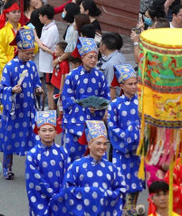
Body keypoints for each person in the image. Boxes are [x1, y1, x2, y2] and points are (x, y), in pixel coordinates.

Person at [49, 120, 125, 215]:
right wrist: (90, 193)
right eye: (98, 143)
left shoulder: (112, 168)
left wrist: (105, 195)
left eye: (105, 144)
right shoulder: (77, 166)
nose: (102, 147)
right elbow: (67, 190)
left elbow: (121, 190)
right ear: (89, 144)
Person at [0, 27, 44, 179]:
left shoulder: (32, 66)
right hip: (14, 110)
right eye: (28, 53)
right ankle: (7, 168)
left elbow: (36, 82)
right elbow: (2, 88)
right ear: (19, 50)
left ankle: (34, 169)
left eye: (32, 53)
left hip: (29, 110)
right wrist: (11, 90)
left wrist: (38, 89)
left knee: (34, 139)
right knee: (10, 139)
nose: (30, 56)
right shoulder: (9, 67)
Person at [60, 37, 109, 161]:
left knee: (95, 157)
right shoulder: (72, 75)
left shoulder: (100, 76)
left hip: (94, 122)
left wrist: (98, 108)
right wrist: (84, 109)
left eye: (95, 57)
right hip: (75, 122)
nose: (93, 60)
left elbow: (105, 97)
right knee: (72, 156)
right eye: (90, 57)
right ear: (82, 58)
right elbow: (66, 99)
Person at [106, 64, 142, 212]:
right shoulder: (115, 105)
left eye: (135, 83)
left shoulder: (142, 102)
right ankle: (120, 208)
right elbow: (112, 127)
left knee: (136, 179)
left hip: (138, 150)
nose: (134, 87)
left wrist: (139, 138)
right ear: (122, 86)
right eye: (130, 84)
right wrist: (127, 137)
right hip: (121, 150)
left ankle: (132, 207)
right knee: (120, 179)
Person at [25, 110, 69, 216]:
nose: (47, 133)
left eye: (51, 130)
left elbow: (68, 175)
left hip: (60, 198)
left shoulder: (63, 152)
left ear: (56, 132)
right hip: (40, 199)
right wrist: (52, 194)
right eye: (44, 130)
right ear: (38, 132)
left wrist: (61, 194)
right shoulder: (32, 154)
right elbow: (34, 181)